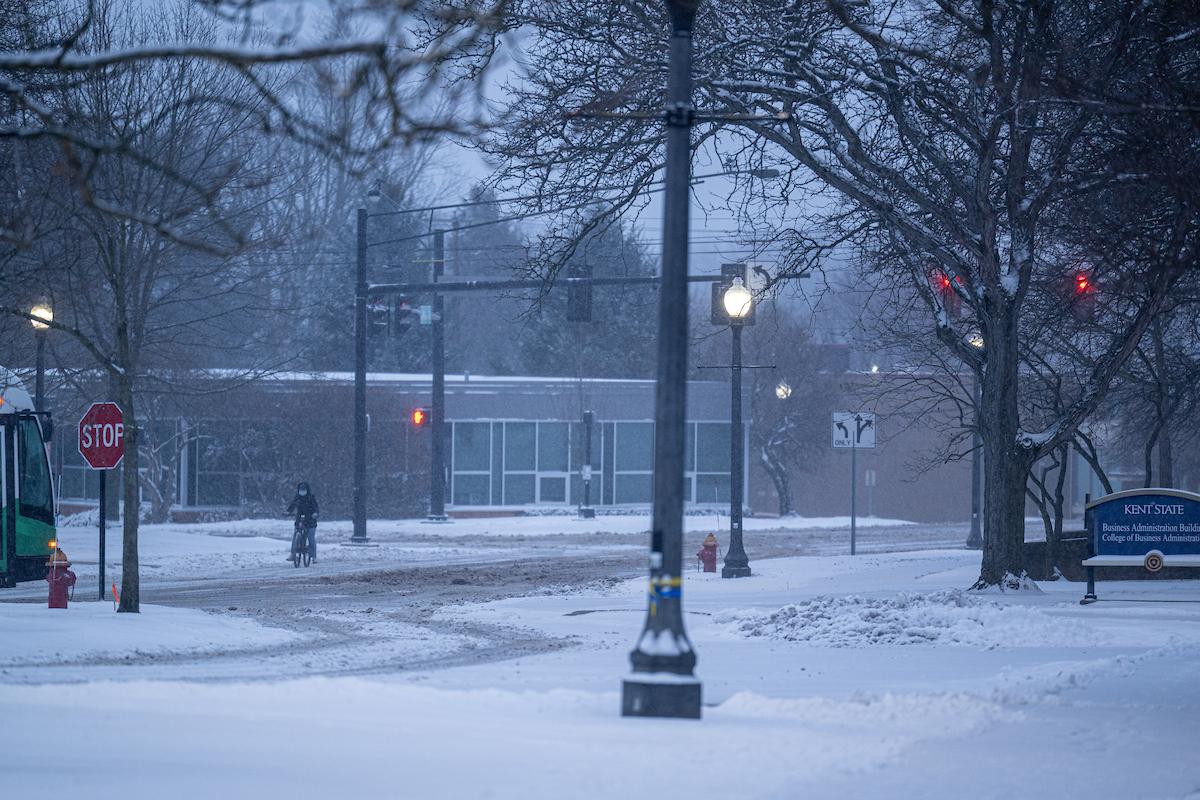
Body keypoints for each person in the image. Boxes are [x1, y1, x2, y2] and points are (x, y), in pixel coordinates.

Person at [286, 482, 319, 564]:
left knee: (311, 538)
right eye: (301, 490)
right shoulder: (297, 498)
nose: (302, 491)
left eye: (304, 490)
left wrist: (315, 513)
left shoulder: (311, 498)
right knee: (295, 534)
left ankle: (313, 556)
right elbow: (292, 506)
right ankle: (293, 554)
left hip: (310, 520)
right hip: (299, 519)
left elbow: (316, 508)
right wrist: (288, 512)